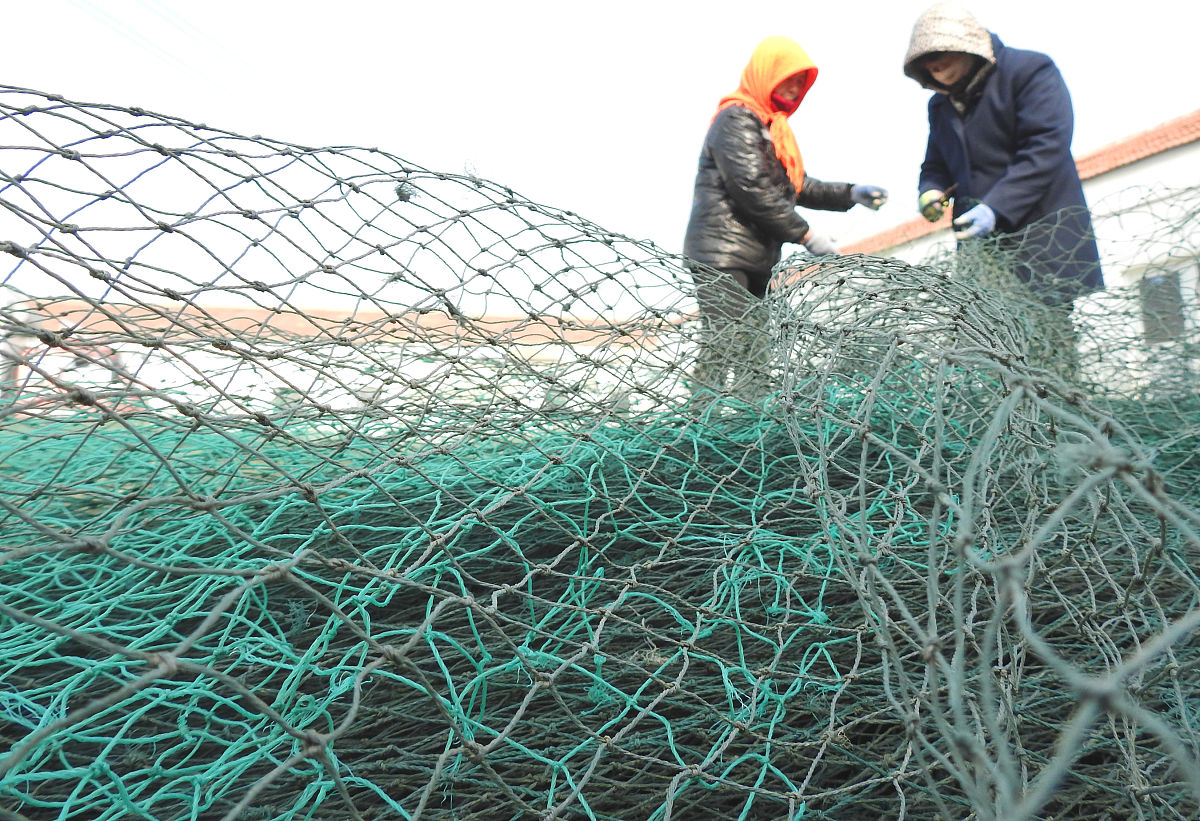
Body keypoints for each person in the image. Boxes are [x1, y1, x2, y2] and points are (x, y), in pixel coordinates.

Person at [903, 3, 1103, 380]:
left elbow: (1046, 146)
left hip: (1042, 238)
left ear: (967, 44)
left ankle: (1062, 415)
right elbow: (936, 164)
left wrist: (996, 207)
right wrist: (929, 190)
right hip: (983, 253)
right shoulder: (940, 106)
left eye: (941, 53)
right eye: (925, 59)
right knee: (995, 353)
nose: (934, 65)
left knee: (1049, 351)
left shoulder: (1030, 71)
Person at [683, 35, 887, 401]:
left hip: (758, 255)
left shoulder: (771, 128)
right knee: (725, 340)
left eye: (800, 83)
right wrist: (806, 235)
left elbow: (796, 185)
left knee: (756, 346)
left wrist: (850, 193)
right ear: (765, 74)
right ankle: (698, 420)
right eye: (787, 79)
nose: (793, 89)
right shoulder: (735, 119)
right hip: (722, 254)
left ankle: (751, 419)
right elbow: (753, 189)